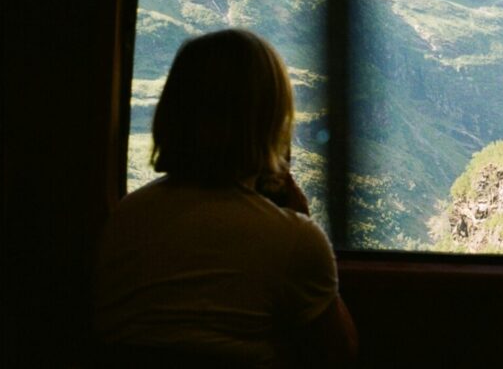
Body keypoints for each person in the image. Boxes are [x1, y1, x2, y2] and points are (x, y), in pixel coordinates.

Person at [93, 29, 357, 367]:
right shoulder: (292, 239)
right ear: (270, 124)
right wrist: (300, 219)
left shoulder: (124, 219)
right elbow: (341, 354)